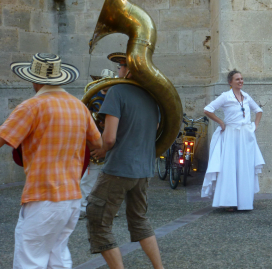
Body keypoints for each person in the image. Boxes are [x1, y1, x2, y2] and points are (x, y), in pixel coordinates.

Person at [0, 53, 102, 268]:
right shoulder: (79, 107)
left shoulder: (31, 106)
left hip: (43, 194)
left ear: (34, 79)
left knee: (29, 259)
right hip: (72, 197)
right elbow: (97, 143)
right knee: (58, 256)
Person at [85, 52, 164, 269]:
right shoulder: (153, 96)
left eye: (120, 67)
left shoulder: (116, 92)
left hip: (119, 167)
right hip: (144, 169)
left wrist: (100, 151)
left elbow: (109, 138)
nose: (118, 71)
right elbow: (155, 129)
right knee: (139, 221)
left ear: (129, 70)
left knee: (98, 220)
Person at [202, 69, 265, 211]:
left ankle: (244, 201)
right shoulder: (226, 96)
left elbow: (259, 111)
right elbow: (208, 109)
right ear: (230, 82)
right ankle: (229, 201)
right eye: (237, 79)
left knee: (244, 166)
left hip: (246, 136)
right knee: (230, 167)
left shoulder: (246, 96)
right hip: (230, 135)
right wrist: (221, 122)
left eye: (242, 79)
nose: (241, 81)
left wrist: (254, 126)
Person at [79, 68, 115, 219]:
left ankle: (105, 207)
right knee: (89, 177)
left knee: (108, 178)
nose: (102, 84)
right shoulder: (94, 94)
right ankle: (83, 207)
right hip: (95, 140)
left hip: (109, 139)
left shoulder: (114, 96)